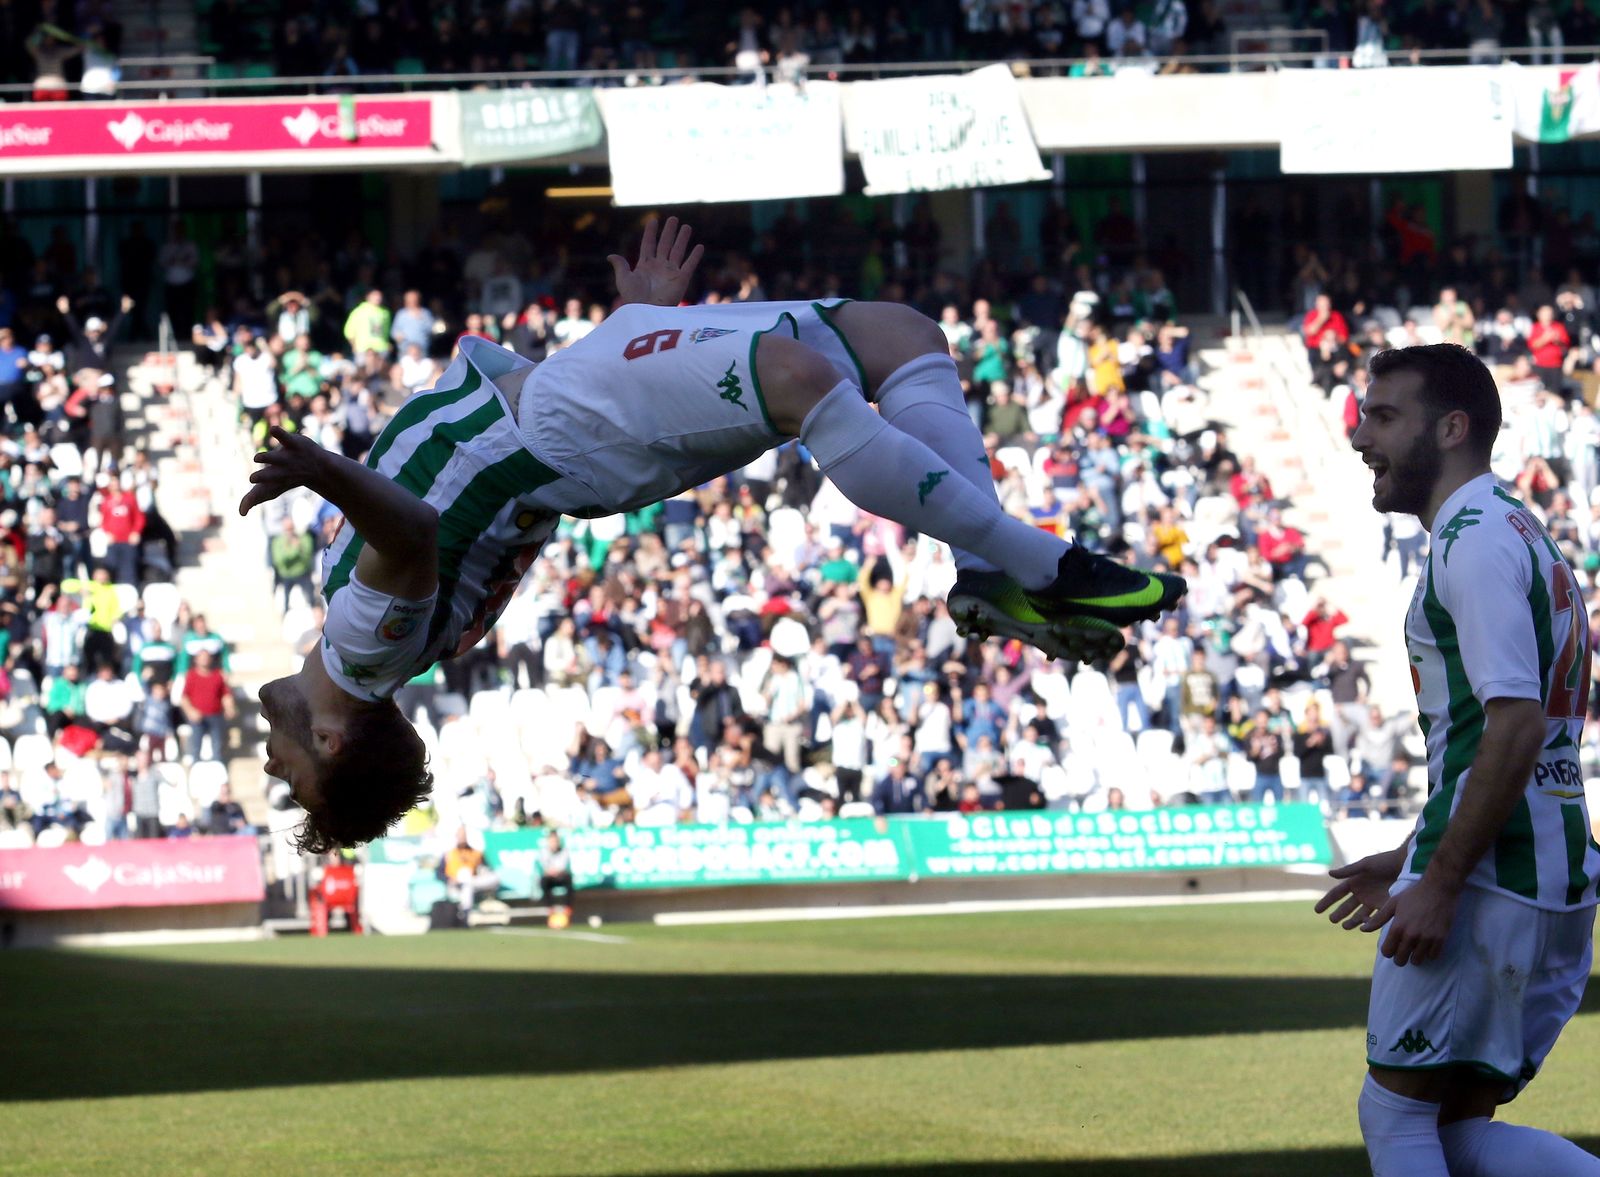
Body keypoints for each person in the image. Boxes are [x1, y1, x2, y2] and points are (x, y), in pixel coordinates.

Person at [241, 218, 1185, 853]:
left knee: (899, 337)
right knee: (802, 381)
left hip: (575, 399)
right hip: (572, 425)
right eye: (294, 778)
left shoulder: (368, 647)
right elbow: (408, 533)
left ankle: (985, 571)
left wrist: (634, 324)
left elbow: (453, 503)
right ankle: (1045, 565)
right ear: (330, 738)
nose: (271, 762)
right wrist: (320, 467)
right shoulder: (365, 653)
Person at [1318, 342, 1600, 1176]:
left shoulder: (1470, 541)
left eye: (1383, 415)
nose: (1362, 435)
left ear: (1450, 428)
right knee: (1452, 1127)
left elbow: (1512, 725)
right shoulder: (1519, 529)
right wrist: (1413, 850)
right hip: (1547, 864)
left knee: (1395, 1114)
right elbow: (1511, 733)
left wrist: (1438, 879)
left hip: (1491, 876)